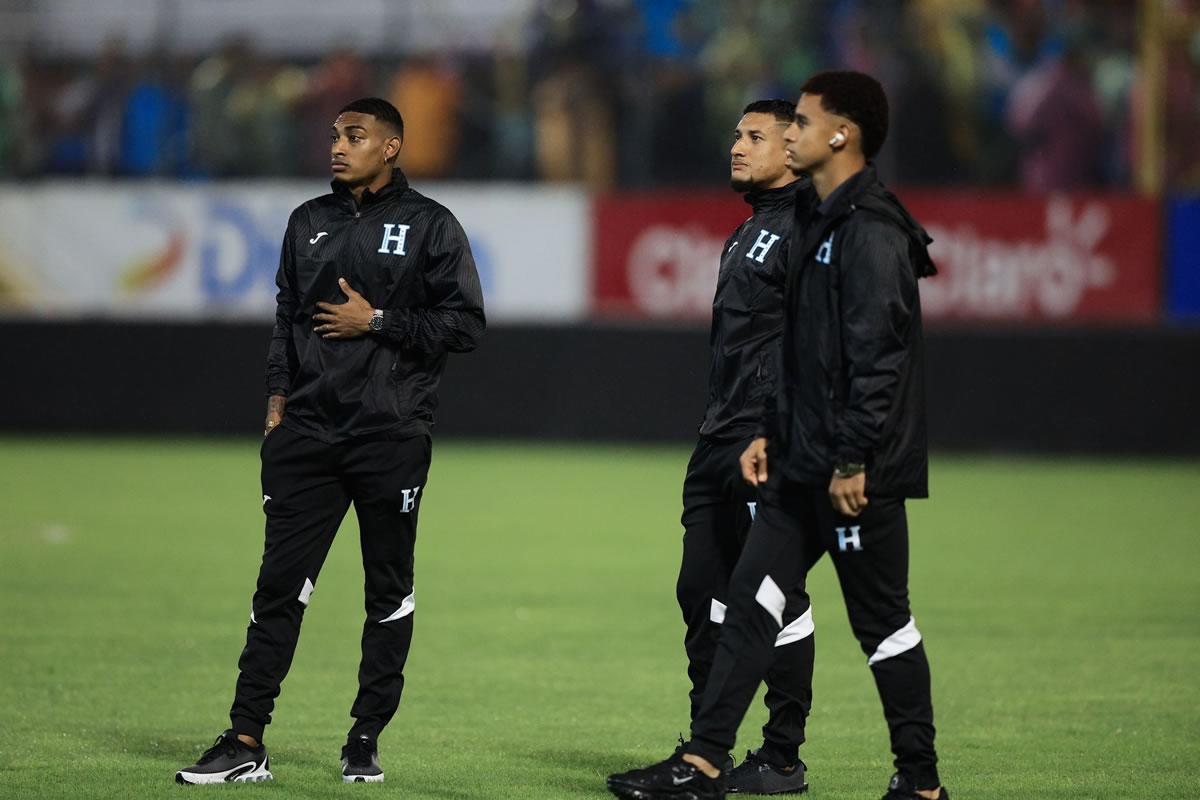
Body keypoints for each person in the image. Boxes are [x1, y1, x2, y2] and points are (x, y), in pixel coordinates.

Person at [606, 71, 947, 800]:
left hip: (855, 468)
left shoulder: (870, 229)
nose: (790, 136)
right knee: (750, 596)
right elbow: (806, 351)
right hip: (796, 455)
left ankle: (919, 784)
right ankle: (705, 762)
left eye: (802, 124)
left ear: (839, 135)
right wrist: (776, 429)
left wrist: (852, 456)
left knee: (882, 625)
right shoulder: (820, 222)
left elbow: (878, 357)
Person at [175, 97, 485, 785]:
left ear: (391, 146)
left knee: (387, 592)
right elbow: (287, 315)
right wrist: (277, 398)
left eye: (355, 135)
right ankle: (245, 739)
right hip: (307, 435)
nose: (338, 146)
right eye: (335, 135)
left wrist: (377, 321)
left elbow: (465, 325)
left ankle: (364, 738)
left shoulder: (431, 225)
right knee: (277, 589)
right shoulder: (307, 220)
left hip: (389, 435)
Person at [659, 99, 816, 796]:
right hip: (719, 435)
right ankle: (706, 748)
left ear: (794, 150)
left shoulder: (812, 229)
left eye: (755, 136)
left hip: (767, 437)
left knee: (773, 594)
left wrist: (777, 428)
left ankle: (781, 756)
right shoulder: (750, 228)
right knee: (700, 588)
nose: (738, 146)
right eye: (736, 134)